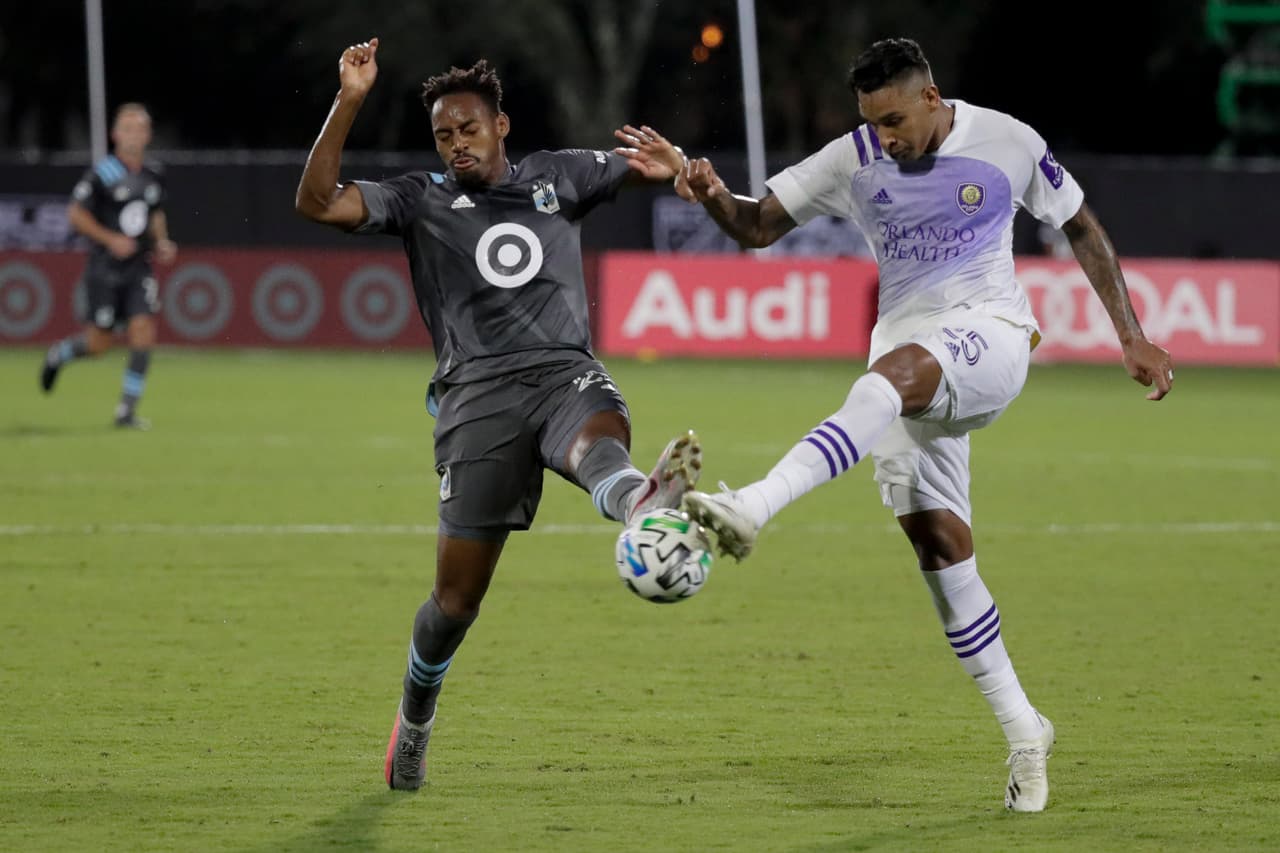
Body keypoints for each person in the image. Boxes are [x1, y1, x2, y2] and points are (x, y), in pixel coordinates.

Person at [628, 37, 1174, 813]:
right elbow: (757, 227)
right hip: (908, 357)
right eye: (873, 123)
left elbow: (1081, 225)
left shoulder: (1009, 141)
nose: (885, 138)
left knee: (887, 378)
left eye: (894, 120)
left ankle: (752, 505)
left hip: (989, 336)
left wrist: (1131, 334)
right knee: (941, 549)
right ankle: (1026, 730)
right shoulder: (852, 156)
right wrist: (707, 189)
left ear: (930, 96)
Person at [295, 38, 703, 792]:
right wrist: (348, 101)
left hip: (564, 375)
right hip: (476, 401)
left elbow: (652, 168)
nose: (456, 145)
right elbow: (318, 202)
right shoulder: (418, 198)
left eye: (469, 130)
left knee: (600, 443)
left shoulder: (559, 176)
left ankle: (639, 501)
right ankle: (415, 718)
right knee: (453, 604)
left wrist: (678, 168)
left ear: (501, 126)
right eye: (444, 135)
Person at [40, 103, 177, 428]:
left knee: (143, 330)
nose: (133, 135)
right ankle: (59, 355)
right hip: (104, 268)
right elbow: (76, 214)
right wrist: (109, 238)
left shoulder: (153, 174)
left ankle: (126, 412)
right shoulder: (104, 174)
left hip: (138, 268)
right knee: (98, 344)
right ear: (116, 135)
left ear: (147, 135)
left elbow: (155, 213)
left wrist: (162, 242)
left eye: (139, 129)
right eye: (126, 129)